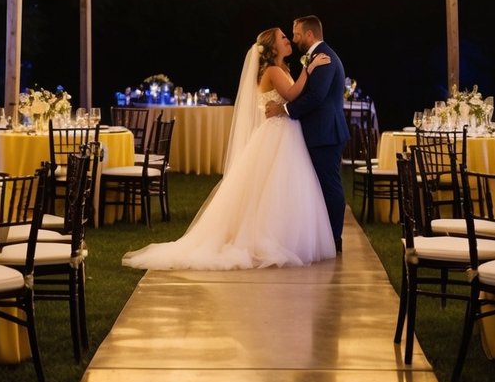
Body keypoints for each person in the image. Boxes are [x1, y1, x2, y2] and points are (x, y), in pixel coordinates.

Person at [121, 27, 337, 270]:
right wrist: (309, 70)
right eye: (283, 38)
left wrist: (305, 72)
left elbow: (291, 96)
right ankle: (267, 238)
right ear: (273, 47)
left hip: (285, 132)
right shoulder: (274, 70)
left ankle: (286, 236)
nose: (288, 39)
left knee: (281, 186)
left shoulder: (283, 68)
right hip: (277, 133)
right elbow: (291, 93)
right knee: (273, 186)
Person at [266, 15, 347, 253]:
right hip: (320, 132)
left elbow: (316, 96)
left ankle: (334, 239)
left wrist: (283, 109)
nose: (293, 38)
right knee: (320, 187)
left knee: (329, 186)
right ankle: (324, 239)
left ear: (309, 35)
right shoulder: (315, 57)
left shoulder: (324, 57)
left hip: (325, 133)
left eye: (297, 34)